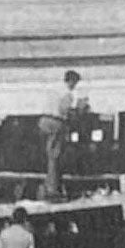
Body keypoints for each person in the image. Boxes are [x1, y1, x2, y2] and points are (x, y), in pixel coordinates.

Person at [37, 70, 88, 200]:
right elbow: (63, 109)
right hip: (56, 122)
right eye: (75, 83)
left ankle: (49, 185)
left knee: (49, 155)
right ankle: (52, 187)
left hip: (44, 121)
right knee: (55, 156)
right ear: (70, 81)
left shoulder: (53, 90)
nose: (75, 86)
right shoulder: (67, 93)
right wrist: (78, 110)